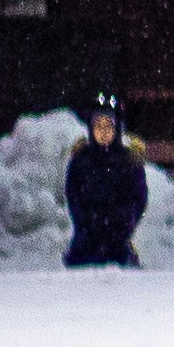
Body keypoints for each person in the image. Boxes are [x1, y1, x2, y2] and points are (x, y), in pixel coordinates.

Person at [63, 91, 151, 268]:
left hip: (119, 234)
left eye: (108, 126)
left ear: (117, 128)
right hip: (87, 235)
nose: (103, 132)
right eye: (98, 126)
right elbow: (73, 194)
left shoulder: (128, 161)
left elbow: (139, 197)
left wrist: (126, 221)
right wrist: (85, 221)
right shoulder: (81, 160)